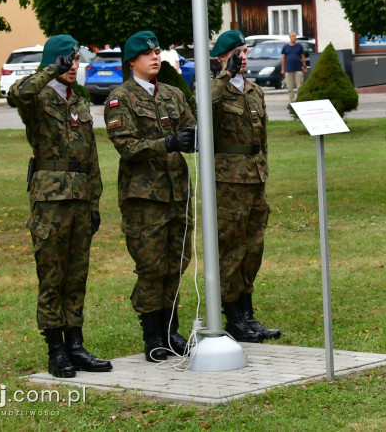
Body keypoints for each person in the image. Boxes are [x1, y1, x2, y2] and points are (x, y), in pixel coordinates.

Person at [12, 34, 111, 379]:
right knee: (52, 275)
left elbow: (92, 158)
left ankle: (76, 344)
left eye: (76, 60)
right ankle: (56, 350)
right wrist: (48, 71)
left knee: (76, 275)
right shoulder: (37, 98)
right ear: (55, 61)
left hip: (81, 199)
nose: (74, 66)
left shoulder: (80, 102)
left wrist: (95, 201)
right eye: (67, 60)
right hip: (50, 201)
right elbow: (15, 94)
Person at [104, 31, 197, 362]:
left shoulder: (172, 94)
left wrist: (193, 138)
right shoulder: (120, 99)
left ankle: (171, 331)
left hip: (177, 194)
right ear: (132, 62)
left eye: (157, 51)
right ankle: (152, 335)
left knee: (176, 264)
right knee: (151, 266)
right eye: (147, 54)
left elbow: (193, 131)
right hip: (144, 199)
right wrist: (168, 144)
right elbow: (127, 147)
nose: (155, 57)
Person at [210, 30, 280, 342]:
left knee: (253, 247)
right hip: (229, 180)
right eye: (237, 52)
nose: (244, 57)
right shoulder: (215, 90)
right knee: (231, 248)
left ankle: (248, 313)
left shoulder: (254, 90)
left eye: (245, 51)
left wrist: (263, 166)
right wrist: (224, 75)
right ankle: (233, 316)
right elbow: (203, 114)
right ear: (223, 57)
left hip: (255, 177)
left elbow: (262, 137)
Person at [279, 31, 307, 102]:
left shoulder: (299, 46)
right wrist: (283, 69)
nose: (295, 38)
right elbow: (283, 59)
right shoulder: (286, 47)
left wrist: (304, 67)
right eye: (293, 36)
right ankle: (292, 100)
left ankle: (299, 100)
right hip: (288, 69)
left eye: (295, 36)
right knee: (290, 87)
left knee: (299, 86)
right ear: (290, 37)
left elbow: (303, 57)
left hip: (298, 69)